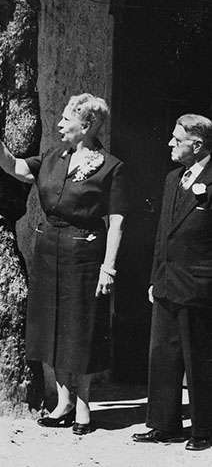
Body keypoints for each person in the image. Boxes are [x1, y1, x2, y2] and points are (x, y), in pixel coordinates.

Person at [0, 93, 128, 435]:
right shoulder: (53, 157)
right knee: (51, 326)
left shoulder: (111, 167)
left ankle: (84, 405)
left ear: (86, 126)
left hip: (86, 256)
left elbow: (116, 221)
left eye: (66, 119)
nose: (58, 124)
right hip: (48, 251)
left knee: (81, 329)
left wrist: (108, 267)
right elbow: (14, 167)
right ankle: (63, 402)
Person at [133, 114, 212, 451]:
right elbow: (162, 234)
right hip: (166, 282)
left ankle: (204, 429)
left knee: (199, 358)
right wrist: (154, 277)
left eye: (176, 139)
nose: (169, 143)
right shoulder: (172, 180)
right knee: (163, 355)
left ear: (197, 145)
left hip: (199, 285)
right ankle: (164, 424)